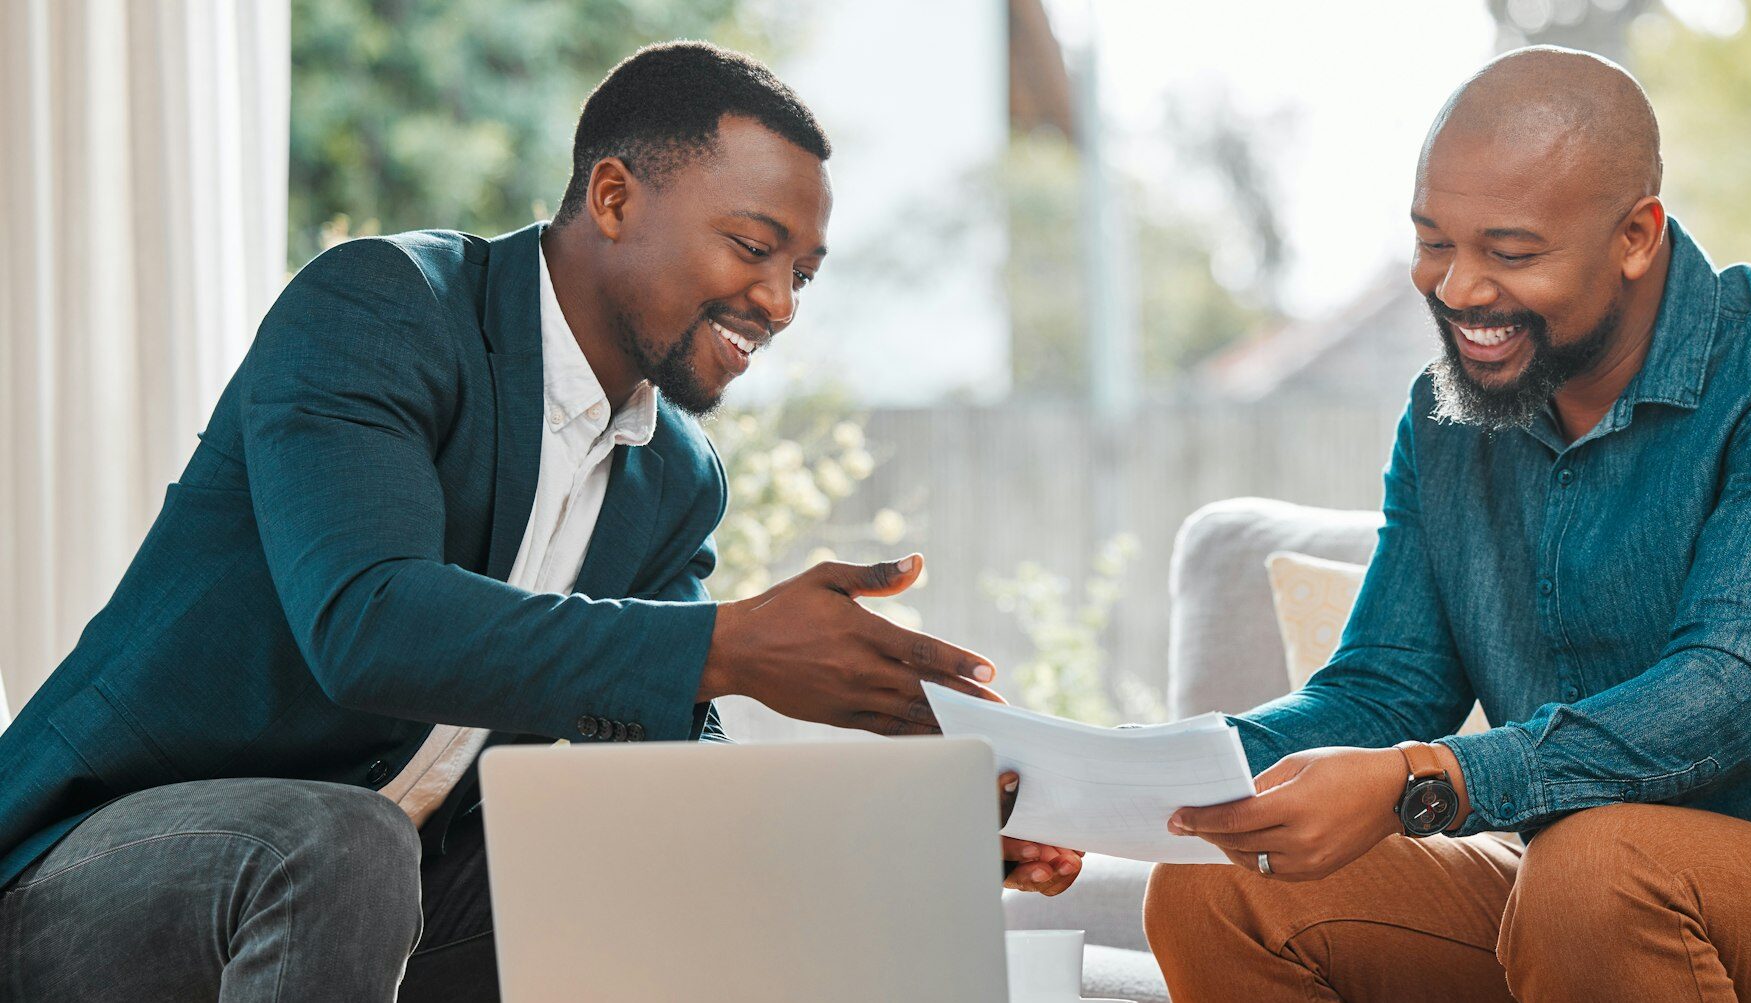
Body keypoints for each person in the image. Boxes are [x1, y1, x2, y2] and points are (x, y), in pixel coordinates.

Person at [0, 42, 1074, 1002]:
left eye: (801, 272)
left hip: (390, 897)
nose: (780, 302)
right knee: (344, 838)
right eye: (752, 246)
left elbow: (670, 778)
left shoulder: (673, 477)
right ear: (611, 197)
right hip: (89, 876)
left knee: (626, 874)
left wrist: (915, 832)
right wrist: (730, 644)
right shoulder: (380, 308)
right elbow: (366, 622)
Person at [1143, 47, 1751, 1002]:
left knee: (1596, 867)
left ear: (1636, 236)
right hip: (1585, 903)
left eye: (1510, 253)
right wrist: (1131, 780)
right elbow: (1383, 689)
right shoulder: (1447, 420)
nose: (1458, 288)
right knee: (1219, 885)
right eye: (1434, 241)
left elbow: (1725, 697)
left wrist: (1422, 779)